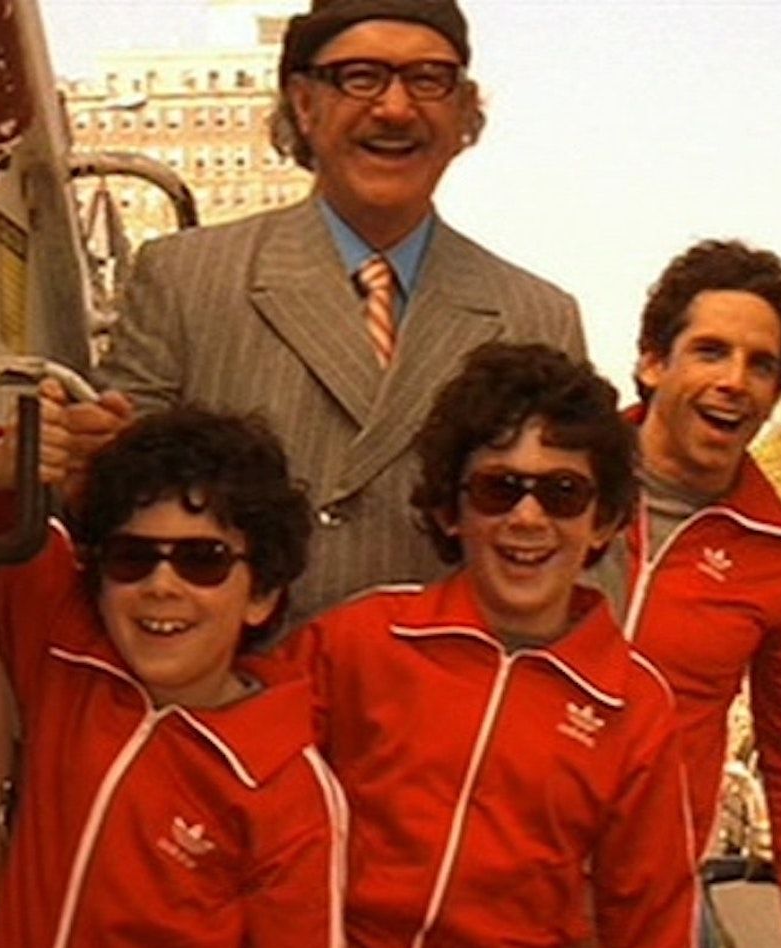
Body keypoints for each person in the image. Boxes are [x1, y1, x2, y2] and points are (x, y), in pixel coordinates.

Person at [96, 0, 588, 630]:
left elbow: (580, 564)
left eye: (428, 79)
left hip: (452, 684)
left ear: (465, 112)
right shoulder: (187, 280)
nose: (395, 108)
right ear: (303, 103)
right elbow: (111, 508)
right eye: (361, 77)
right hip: (240, 682)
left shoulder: (538, 316)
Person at [280, 342, 697, 948]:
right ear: (452, 511)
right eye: (499, 490)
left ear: (603, 522)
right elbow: (229, 780)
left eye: (562, 493)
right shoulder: (361, 642)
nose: (528, 517)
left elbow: (651, 936)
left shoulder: (630, 704)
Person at [535, 240, 781, 948]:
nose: (734, 380)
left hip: (643, 908)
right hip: (493, 882)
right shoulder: (540, 484)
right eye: (710, 351)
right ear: (652, 362)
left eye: (762, 365)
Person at [0, 402, 348, 948]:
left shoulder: (285, 790)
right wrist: (1, 461)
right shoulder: (67, 655)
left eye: (203, 561)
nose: (161, 586)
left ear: (262, 595)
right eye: (133, 558)